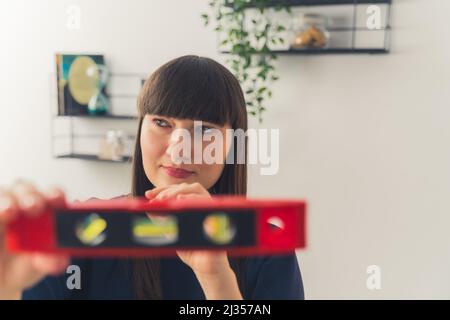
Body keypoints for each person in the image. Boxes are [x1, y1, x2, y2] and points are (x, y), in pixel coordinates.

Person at [0, 55, 304, 300]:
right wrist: (7, 284)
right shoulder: (86, 229)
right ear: (141, 128)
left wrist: (216, 276)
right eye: (162, 122)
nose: (179, 148)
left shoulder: (268, 247)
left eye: (204, 130)